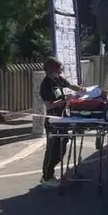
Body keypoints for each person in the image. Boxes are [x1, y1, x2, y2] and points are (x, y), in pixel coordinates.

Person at [38, 56, 84, 188]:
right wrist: (64, 100)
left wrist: (80, 89)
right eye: (58, 70)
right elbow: (49, 105)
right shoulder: (46, 85)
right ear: (51, 70)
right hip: (53, 120)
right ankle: (46, 176)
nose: (60, 73)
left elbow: (70, 85)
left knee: (62, 147)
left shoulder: (58, 79)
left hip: (63, 118)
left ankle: (50, 173)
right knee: (52, 149)